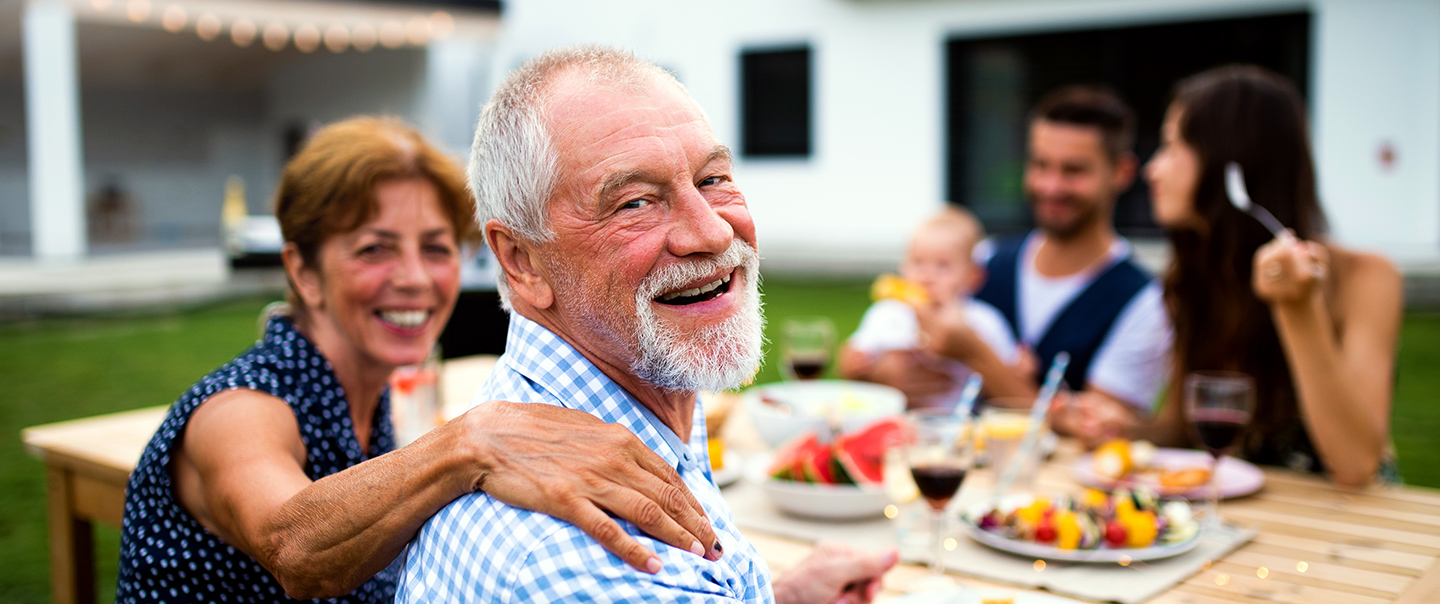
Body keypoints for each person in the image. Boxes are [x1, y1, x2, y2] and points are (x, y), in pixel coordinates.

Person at [116, 117, 725, 603]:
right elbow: (294, 548)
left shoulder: (369, 394)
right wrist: (473, 442)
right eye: (375, 249)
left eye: (436, 248)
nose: (413, 279)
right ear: (303, 270)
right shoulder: (241, 407)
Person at [397, 46, 897, 603]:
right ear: (521, 260)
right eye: (635, 203)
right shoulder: (593, 559)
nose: (710, 233)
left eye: (712, 180)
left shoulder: (627, 400)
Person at [1142, 65, 1401, 486]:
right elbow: (1179, 428)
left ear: (1229, 162)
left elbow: (1356, 465)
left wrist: (1297, 308)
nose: (1152, 169)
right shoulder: (1198, 275)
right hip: (1243, 524)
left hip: (1349, 532)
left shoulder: (1366, 277)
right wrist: (1109, 429)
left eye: (1172, 147)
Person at [923, 86, 1172, 444]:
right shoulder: (988, 259)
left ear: (1121, 172)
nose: (1051, 186)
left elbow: (1095, 434)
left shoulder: (1144, 303)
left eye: (1073, 171)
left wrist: (978, 354)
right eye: (1040, 165)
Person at [839, 206, 1028, 409]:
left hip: (961, 426)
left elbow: (1011, 370)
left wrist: (1022, 367)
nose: (927, 277)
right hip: (899, 424)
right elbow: (853, 356)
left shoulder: (984, 320)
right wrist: (856, 363)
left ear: (973, 276)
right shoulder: (888, 313)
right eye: (918, 263)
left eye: (942, 266)